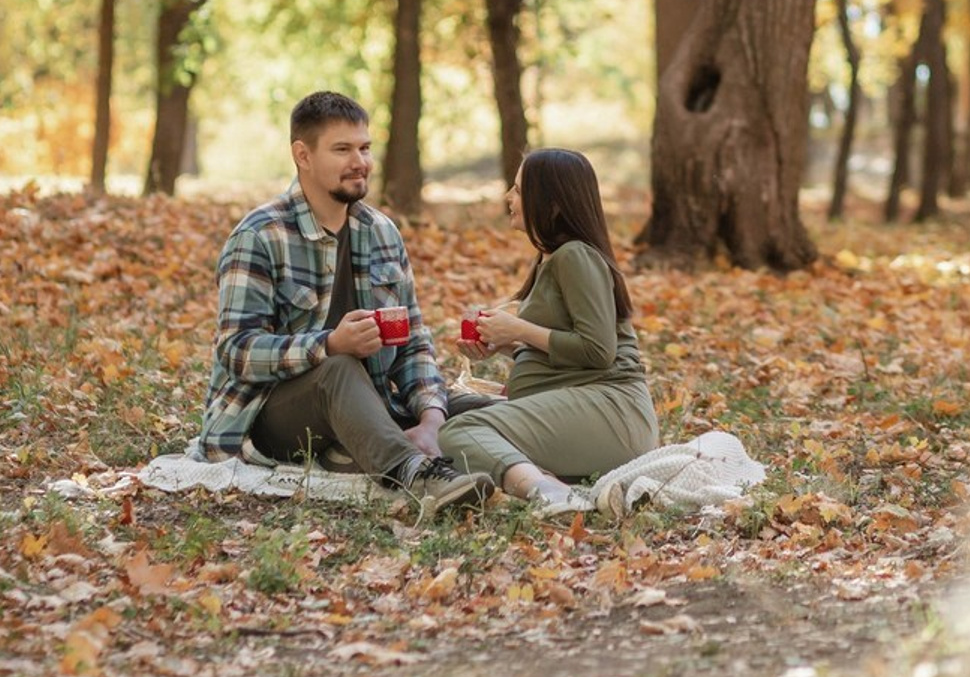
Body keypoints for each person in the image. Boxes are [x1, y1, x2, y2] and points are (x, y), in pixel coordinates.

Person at [197, 90, 493, 518]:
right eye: (342, 149)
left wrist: (430, 416)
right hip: (270, 417)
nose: (361, 161)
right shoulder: (259, 236)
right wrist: (330, 345)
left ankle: (542, 464)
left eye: (365, 148)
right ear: (303, 155)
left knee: (474, 407)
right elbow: (237, 350)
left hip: (370, 402)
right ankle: (418, 475)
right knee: (337, 370)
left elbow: (413, 344)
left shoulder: (382, 232)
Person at [439, 147, 660, 509]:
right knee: (440, 407)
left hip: (613, 412)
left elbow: (598, 351)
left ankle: (547, 491)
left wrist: (520, 331)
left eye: (519, 191)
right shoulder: (551, 259)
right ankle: (545, 477)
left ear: (554, 204)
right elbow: (564, 351)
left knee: (461, 430)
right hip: (587, 405)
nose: (509, 198)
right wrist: (505, 343)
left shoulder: (576, 255)